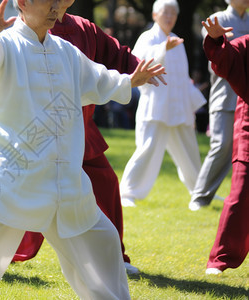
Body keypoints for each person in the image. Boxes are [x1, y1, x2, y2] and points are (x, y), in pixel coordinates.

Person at [0, 0, 165, 299]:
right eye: (48, 1)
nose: (55, 8)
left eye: (58, 2)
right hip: (12, 180)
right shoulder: (3, 43)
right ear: (23, 3)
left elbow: (99, 79)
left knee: (103, 239)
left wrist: (129, 80)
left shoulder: (65, 51)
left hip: (66, 183)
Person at [12, 0, 159, 275]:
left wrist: (137, 70)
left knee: (105, 183)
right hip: (40, 132)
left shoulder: (84, 27)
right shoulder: (32, 27)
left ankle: (116, 258)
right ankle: (7, 250)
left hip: (80, 127)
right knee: (25, 192)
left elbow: (113, 57)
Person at [119, 0, 206, 208]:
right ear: (155, 15)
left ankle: (201, 194)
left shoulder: (177, 40)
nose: (169, 17)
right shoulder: (147, 38)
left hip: (179, 108)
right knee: (146, 149)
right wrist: (162, 49)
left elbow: (183, 78)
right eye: (165, 13)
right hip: (155, 107)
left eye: (173, 14)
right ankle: (128, 192)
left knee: (190, 152)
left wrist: (192, 105)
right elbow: (139, 65)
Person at [189, 0, 249, 211]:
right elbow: (214, 59)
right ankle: (200, 197)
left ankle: (238, 199)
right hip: (225, 94)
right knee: (222, 145)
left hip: (246, 100)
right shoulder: (220, 19)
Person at [202, 17, 249, 275]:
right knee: (241, 193)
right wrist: (217, 40)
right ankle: (221, 258)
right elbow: (226, 58)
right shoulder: (247, 44)